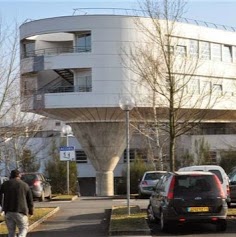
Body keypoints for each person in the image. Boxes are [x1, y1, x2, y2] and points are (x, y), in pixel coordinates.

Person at [0, 169, 34, 237]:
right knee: (23, 228)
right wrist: (31, 211)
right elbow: (30, 200)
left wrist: (2, 206)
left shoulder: (5, 184)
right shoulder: (25, 185)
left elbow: (0, 195)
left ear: (11, 176)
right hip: (21, 211)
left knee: (11, 231)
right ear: (19, 175)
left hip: (8, 211)